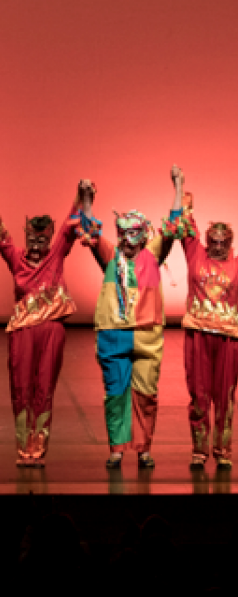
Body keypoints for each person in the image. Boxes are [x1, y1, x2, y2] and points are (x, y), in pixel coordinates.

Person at [0, 175, 91, 467]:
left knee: (45, 387)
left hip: (52, 329)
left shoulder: (55, 256)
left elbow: (70, 228)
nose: (36, 243)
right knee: (21, 387)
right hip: (22, 331)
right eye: (32, 238)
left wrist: (79, 194)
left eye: (42, 239)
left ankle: (38, 449)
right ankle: (23, 449)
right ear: (26, 236)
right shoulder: (17, 259)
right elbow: (0, 236)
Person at [79, 168, 183, 469]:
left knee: (146, 394)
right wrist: (87, 198)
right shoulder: (110, 255)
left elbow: (174, 224)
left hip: (147, 335)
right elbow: (90, 230)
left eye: (133, 233)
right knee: (115, 393)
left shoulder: (152, 254)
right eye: (122, 233)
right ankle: (116, 448)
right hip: (113, 334)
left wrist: (178, 185)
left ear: (143, 233)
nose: (127, 239)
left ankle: (143, 448)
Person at [166, 166, 238, 470]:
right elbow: (186, 221)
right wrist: (180, 185)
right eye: (214, 241)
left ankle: (222, 450)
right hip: (197, 335)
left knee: (225, 396)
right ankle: (199, 448)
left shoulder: (237, 265)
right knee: (199, 393)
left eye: (224, 242)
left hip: (228, 340)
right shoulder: (196, 254)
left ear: (231, 242)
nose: (218, 246)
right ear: (207, 240)